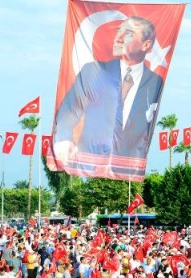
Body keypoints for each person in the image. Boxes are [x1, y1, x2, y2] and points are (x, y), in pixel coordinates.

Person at [52, 16, 164, 177]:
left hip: (127, 168)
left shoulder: (154, 82)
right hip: (88, 165)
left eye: (129, 34)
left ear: (146, 45)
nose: (118, 38)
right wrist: (63, 138)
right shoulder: (94, 71)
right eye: (119, 31)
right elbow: (69, 110)